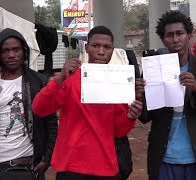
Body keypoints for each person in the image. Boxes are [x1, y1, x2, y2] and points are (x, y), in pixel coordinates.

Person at [32, 26, 143, 180]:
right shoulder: (69, 78)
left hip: (105, 167)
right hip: (70, 166)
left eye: (107, 47)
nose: (101, 52)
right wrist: (58, 80)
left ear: (113, 50)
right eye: (95, 46)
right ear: (86, 47)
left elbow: (119, 130)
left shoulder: (119, 83)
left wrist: (131, 116)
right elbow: (39, 109)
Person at [136, 11, 196, 180]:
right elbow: (145, 116)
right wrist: (139, 97)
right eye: (169, 35)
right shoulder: (152, 69)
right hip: (164, 159)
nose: (175, 39)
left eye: (180, 33)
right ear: (163, 40)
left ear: (189, 37)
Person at [0, 28, 58, 180]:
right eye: (5, 51)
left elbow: (51, 123)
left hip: (31, 167)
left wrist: (47, 158)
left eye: (16, 49)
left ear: (23, 51)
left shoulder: (39, 82)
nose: (11, 55)